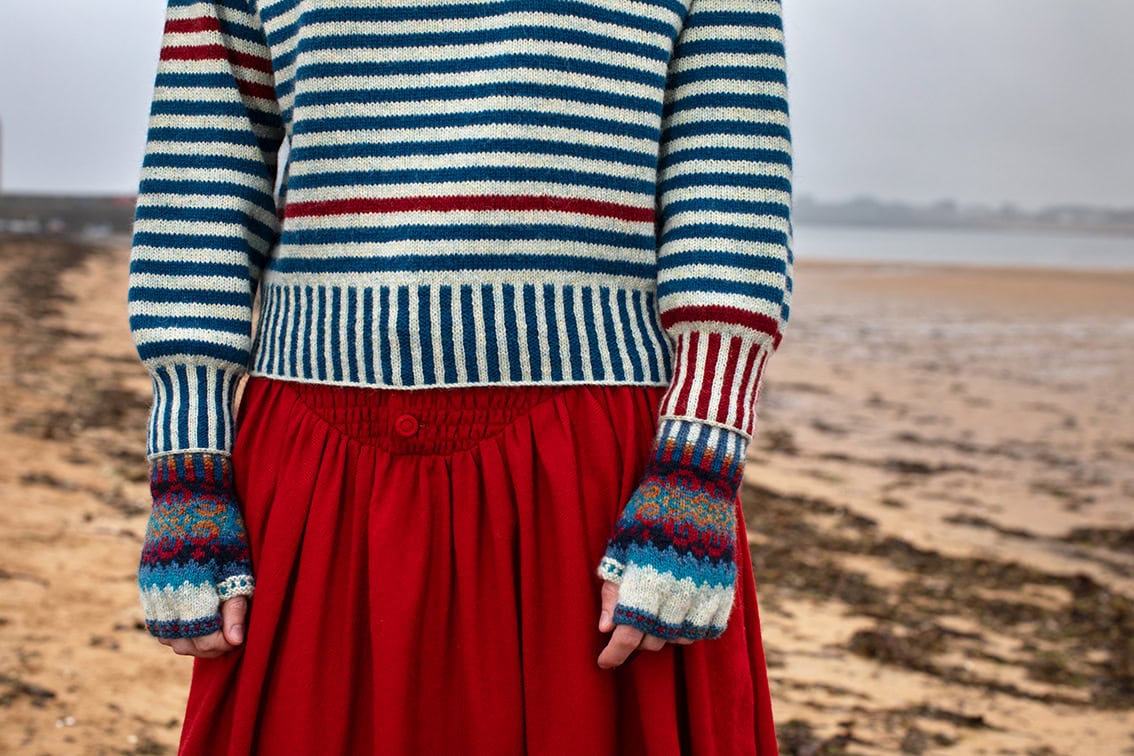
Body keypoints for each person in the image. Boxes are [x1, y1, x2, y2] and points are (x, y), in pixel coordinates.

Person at [127, 0, 794, 752]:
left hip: (589, 466)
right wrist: (188, 467)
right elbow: (203, 173)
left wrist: (699, 466)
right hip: (318, 464)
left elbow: (731, 169)